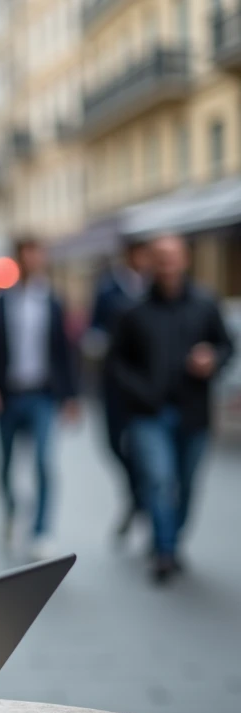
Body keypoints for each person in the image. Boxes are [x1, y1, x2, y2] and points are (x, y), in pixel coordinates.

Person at [106, 234, 234, 584]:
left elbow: (226, 347)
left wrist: (213, 359)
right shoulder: (132, 311)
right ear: (149, 262)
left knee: (188, 485)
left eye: (172, 257)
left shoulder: (205, 305)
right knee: (160, 480)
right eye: (159, 258)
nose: (166, 265)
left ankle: (170, 538)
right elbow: (116, 364)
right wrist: (140, 393)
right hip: (150, 413)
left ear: (184, 260)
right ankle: (164, 551)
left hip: (194, 411)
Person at [0, 237, 79, 561]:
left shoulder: (54, 302)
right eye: (27, 254)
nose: (34, 260)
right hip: (7, 397)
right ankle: (10, 510)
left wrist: (72, 396)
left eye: (38, 254)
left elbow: (64, 352)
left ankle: (42, 530)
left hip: (42, 395)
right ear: (17, 259)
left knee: (44, 462)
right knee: (4, 465)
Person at [87, 241, 152, 545]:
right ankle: (137, 491)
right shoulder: (108, 289)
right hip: (114, 380)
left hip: (148, 385)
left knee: (146, 447)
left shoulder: (154, 287)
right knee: (113, 443)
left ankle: (142, 500)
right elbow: (95, 327)